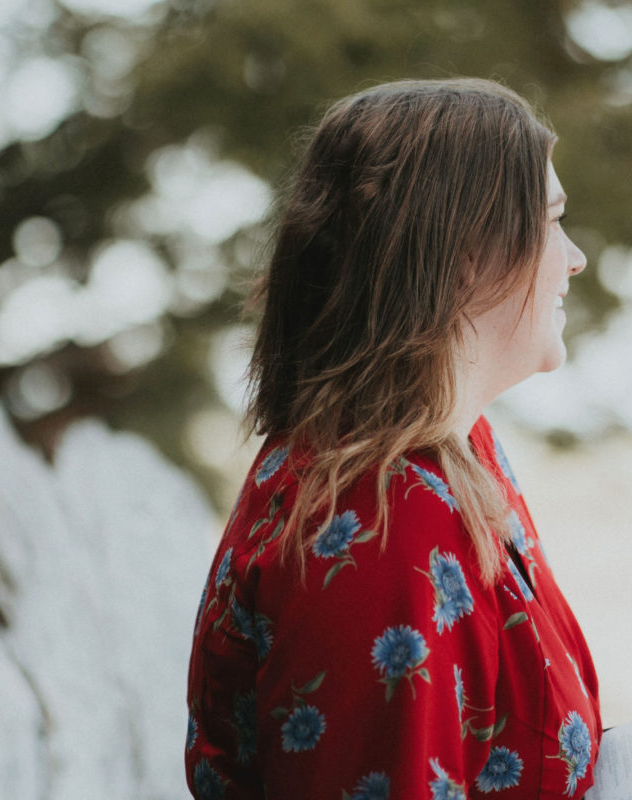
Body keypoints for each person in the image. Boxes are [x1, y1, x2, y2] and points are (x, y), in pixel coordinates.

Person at [184, 77, 598, 800]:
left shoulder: (461, 452)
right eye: (553, 221)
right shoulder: (382, 523)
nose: (574, 259)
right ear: (467, 252)